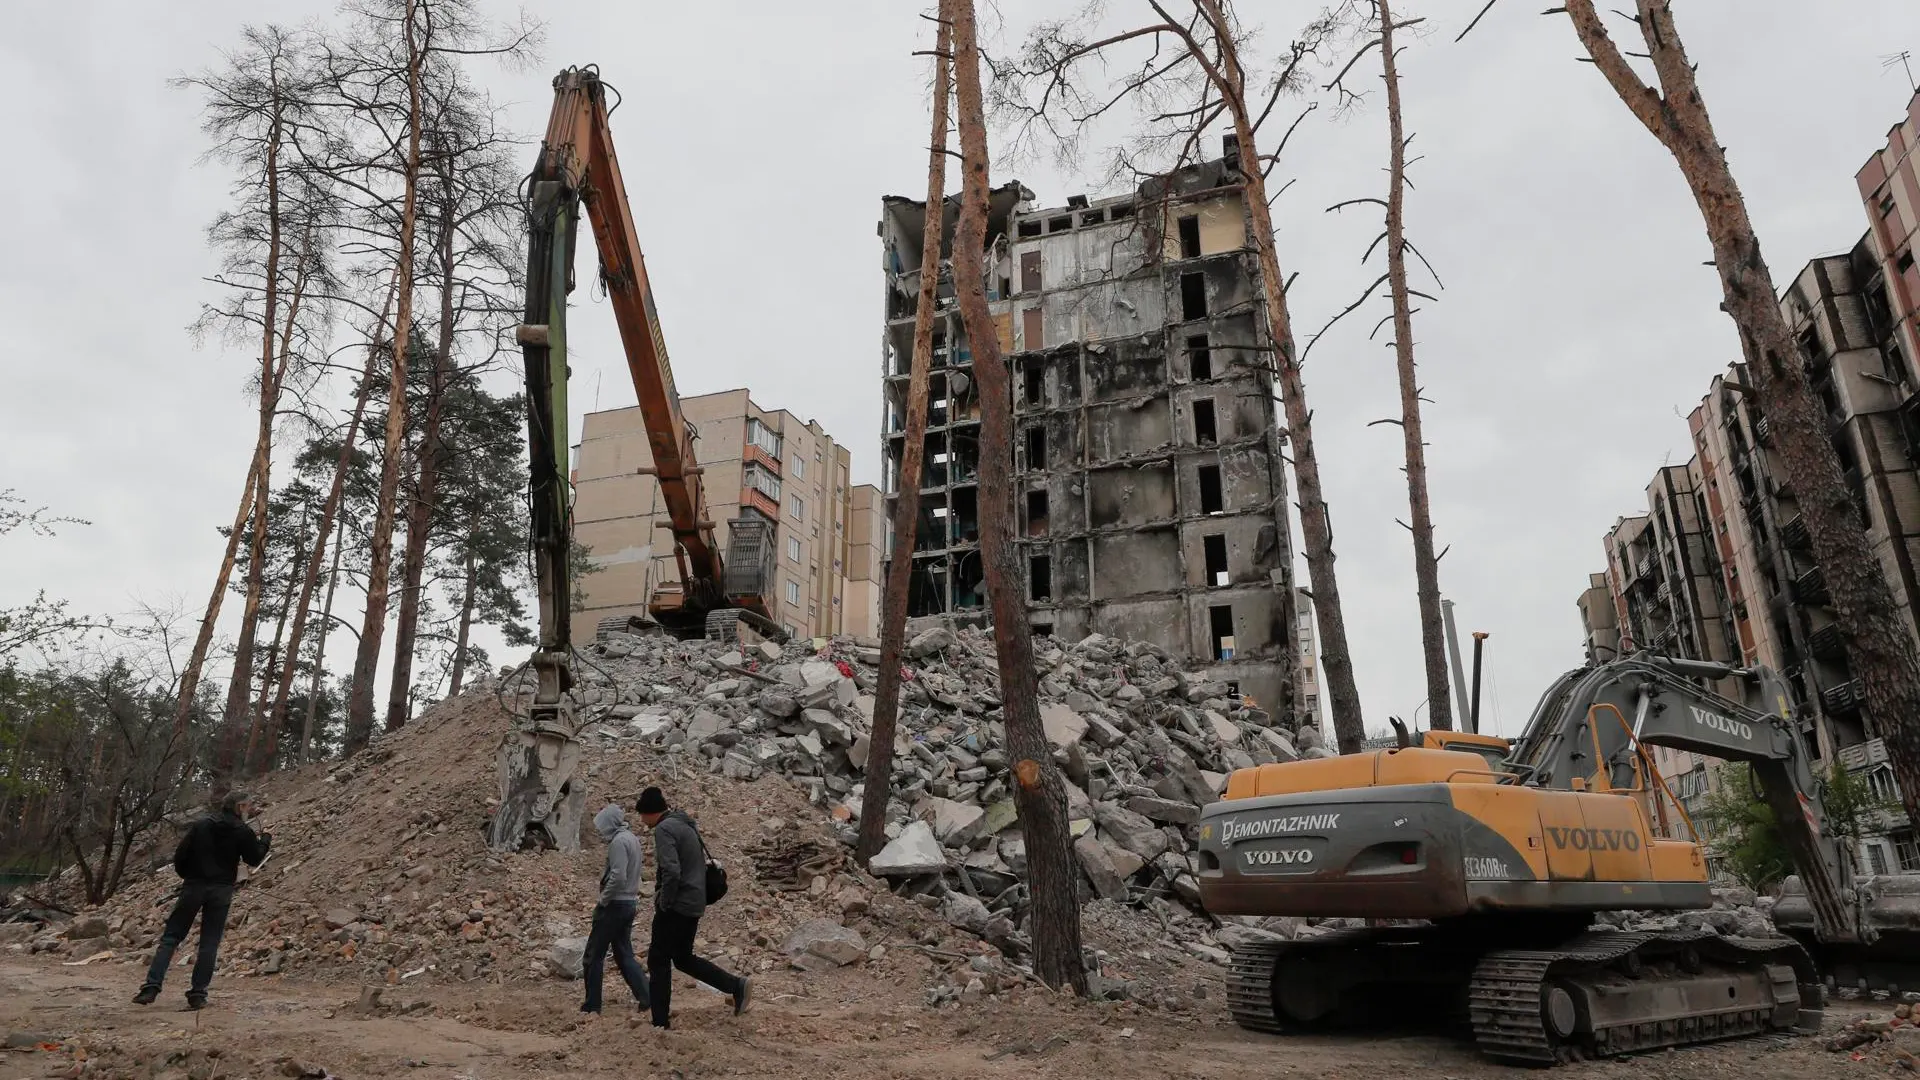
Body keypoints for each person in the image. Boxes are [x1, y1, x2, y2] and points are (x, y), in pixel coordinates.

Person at [134, 789, 271, 1009]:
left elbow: (180, 856)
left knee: (171, 938)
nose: (249, 810)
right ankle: (197, 994)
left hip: (194, 886)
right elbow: (254, 859)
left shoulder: (202, 825)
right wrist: (265, 840)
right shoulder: (242, 831)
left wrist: (190, 876)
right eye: (247, 806)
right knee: (209, 942)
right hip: (221, 890)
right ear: (239, 807)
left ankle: (151, 987)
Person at [634, 787, 749, 1028]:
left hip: (678, 905)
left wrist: (663, 902)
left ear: (649, 812)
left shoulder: (664, 829)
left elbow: (672, 871)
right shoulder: (685, 824)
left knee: (658, 960)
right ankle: (735, 985)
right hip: (694, 902)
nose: (642, 821)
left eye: (642, 815)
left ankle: (659, 1023)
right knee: (683, 958)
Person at [581, 804, 651, 1015]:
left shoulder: (618, 843)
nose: (599, 831)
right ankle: (647, 996)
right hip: (629, 903)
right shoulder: (632, 838)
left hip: (615, 905)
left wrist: (603, 899)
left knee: (593, 956)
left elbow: (618, 876)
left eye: (601, 826)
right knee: (624, 954)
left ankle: (592, 1005)